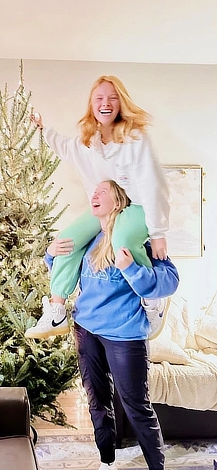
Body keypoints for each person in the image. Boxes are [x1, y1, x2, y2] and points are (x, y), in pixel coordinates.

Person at [43, 180, 179, 470]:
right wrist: (51, 253)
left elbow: (170, 280)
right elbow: (62, 275)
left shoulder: (137, 241)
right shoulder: (86, 241)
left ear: (118, 203)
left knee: (136, 406)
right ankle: (107, 462)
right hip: (86, 329)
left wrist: (131, 268)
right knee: (97, 402)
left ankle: (158, 466)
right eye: (94, 191)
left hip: (125, 335)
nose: (95, 194)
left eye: (103, 191)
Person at [25, 75, 170, 339]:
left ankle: (151, 302)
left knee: (123, 238)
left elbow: (153, 183)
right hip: (104, 206)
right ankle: (57, 311)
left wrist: (158, 232)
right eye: (99, 98)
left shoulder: (136, 139)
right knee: (67, 241)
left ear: (121, 104)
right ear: (91, 105)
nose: (106, 103)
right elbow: (62, 146)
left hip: (135, 206)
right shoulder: (87, 142)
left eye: (113, 98)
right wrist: (41, 130)